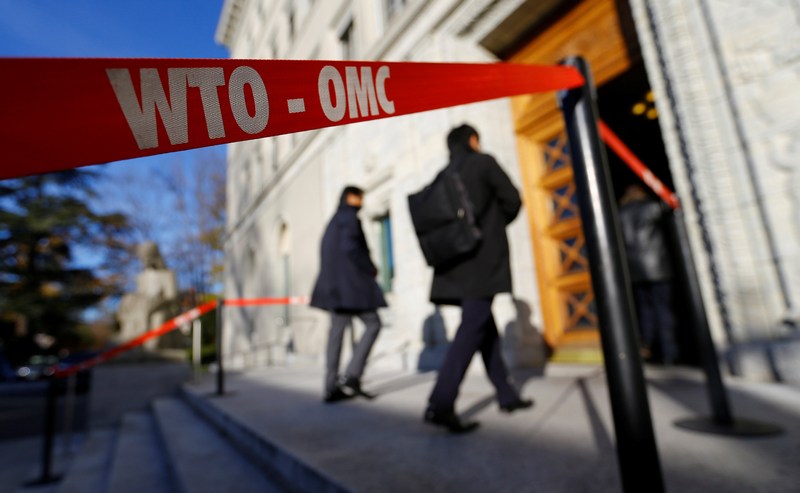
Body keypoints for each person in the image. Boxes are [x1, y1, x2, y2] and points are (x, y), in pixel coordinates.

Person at [424, 124, 533, 433]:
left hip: (454, 264)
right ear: (472, 140)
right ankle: (440, 402)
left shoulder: (443, 176)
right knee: (474, 324)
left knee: (484, 327)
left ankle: (507, 395)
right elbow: (512, 199)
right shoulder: (483, 163)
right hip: (482, 259)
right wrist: (494, 225)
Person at [310, 186, 386, 403]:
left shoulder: (333, 222)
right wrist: (370, 267)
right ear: (350, 197)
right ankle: (352, 375)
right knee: (373, 323)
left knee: (336, 334)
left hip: (335, 288)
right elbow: (350, 247)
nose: (361, 201)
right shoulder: (350, 217)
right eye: (359, 197)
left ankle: (330, 387)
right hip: (351, 287)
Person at [618, 184, 680, 365]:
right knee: (663, 310)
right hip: (657, 269)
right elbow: (669, 204)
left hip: (636, 271)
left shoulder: (621, 214)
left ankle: (647, 347)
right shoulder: (649, 207)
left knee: (645, 311)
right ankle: (670, 353)